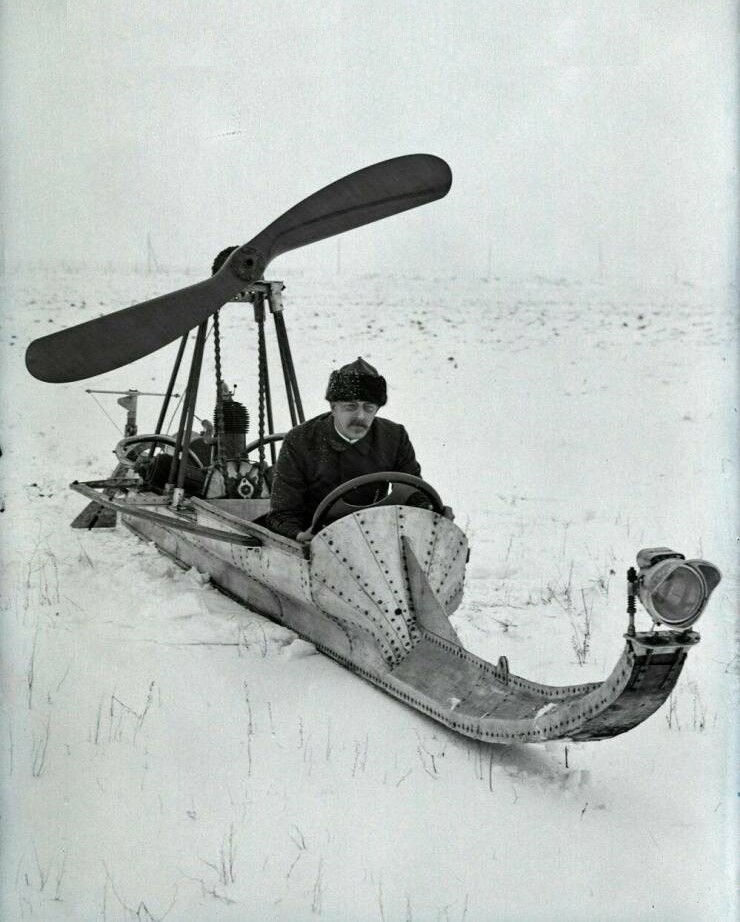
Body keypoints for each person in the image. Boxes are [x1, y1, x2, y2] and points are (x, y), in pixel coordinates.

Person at [265, 357, 445, 542]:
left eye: (369, 408)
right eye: (350, 406)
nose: (360, 416)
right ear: (333, 408)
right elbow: (282, 513)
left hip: (377, 539)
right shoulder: (299, 440)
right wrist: (300, 536)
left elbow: (414, 493)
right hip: (316, 539)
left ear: (377, 410)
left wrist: (429, 510)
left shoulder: (395, 437)